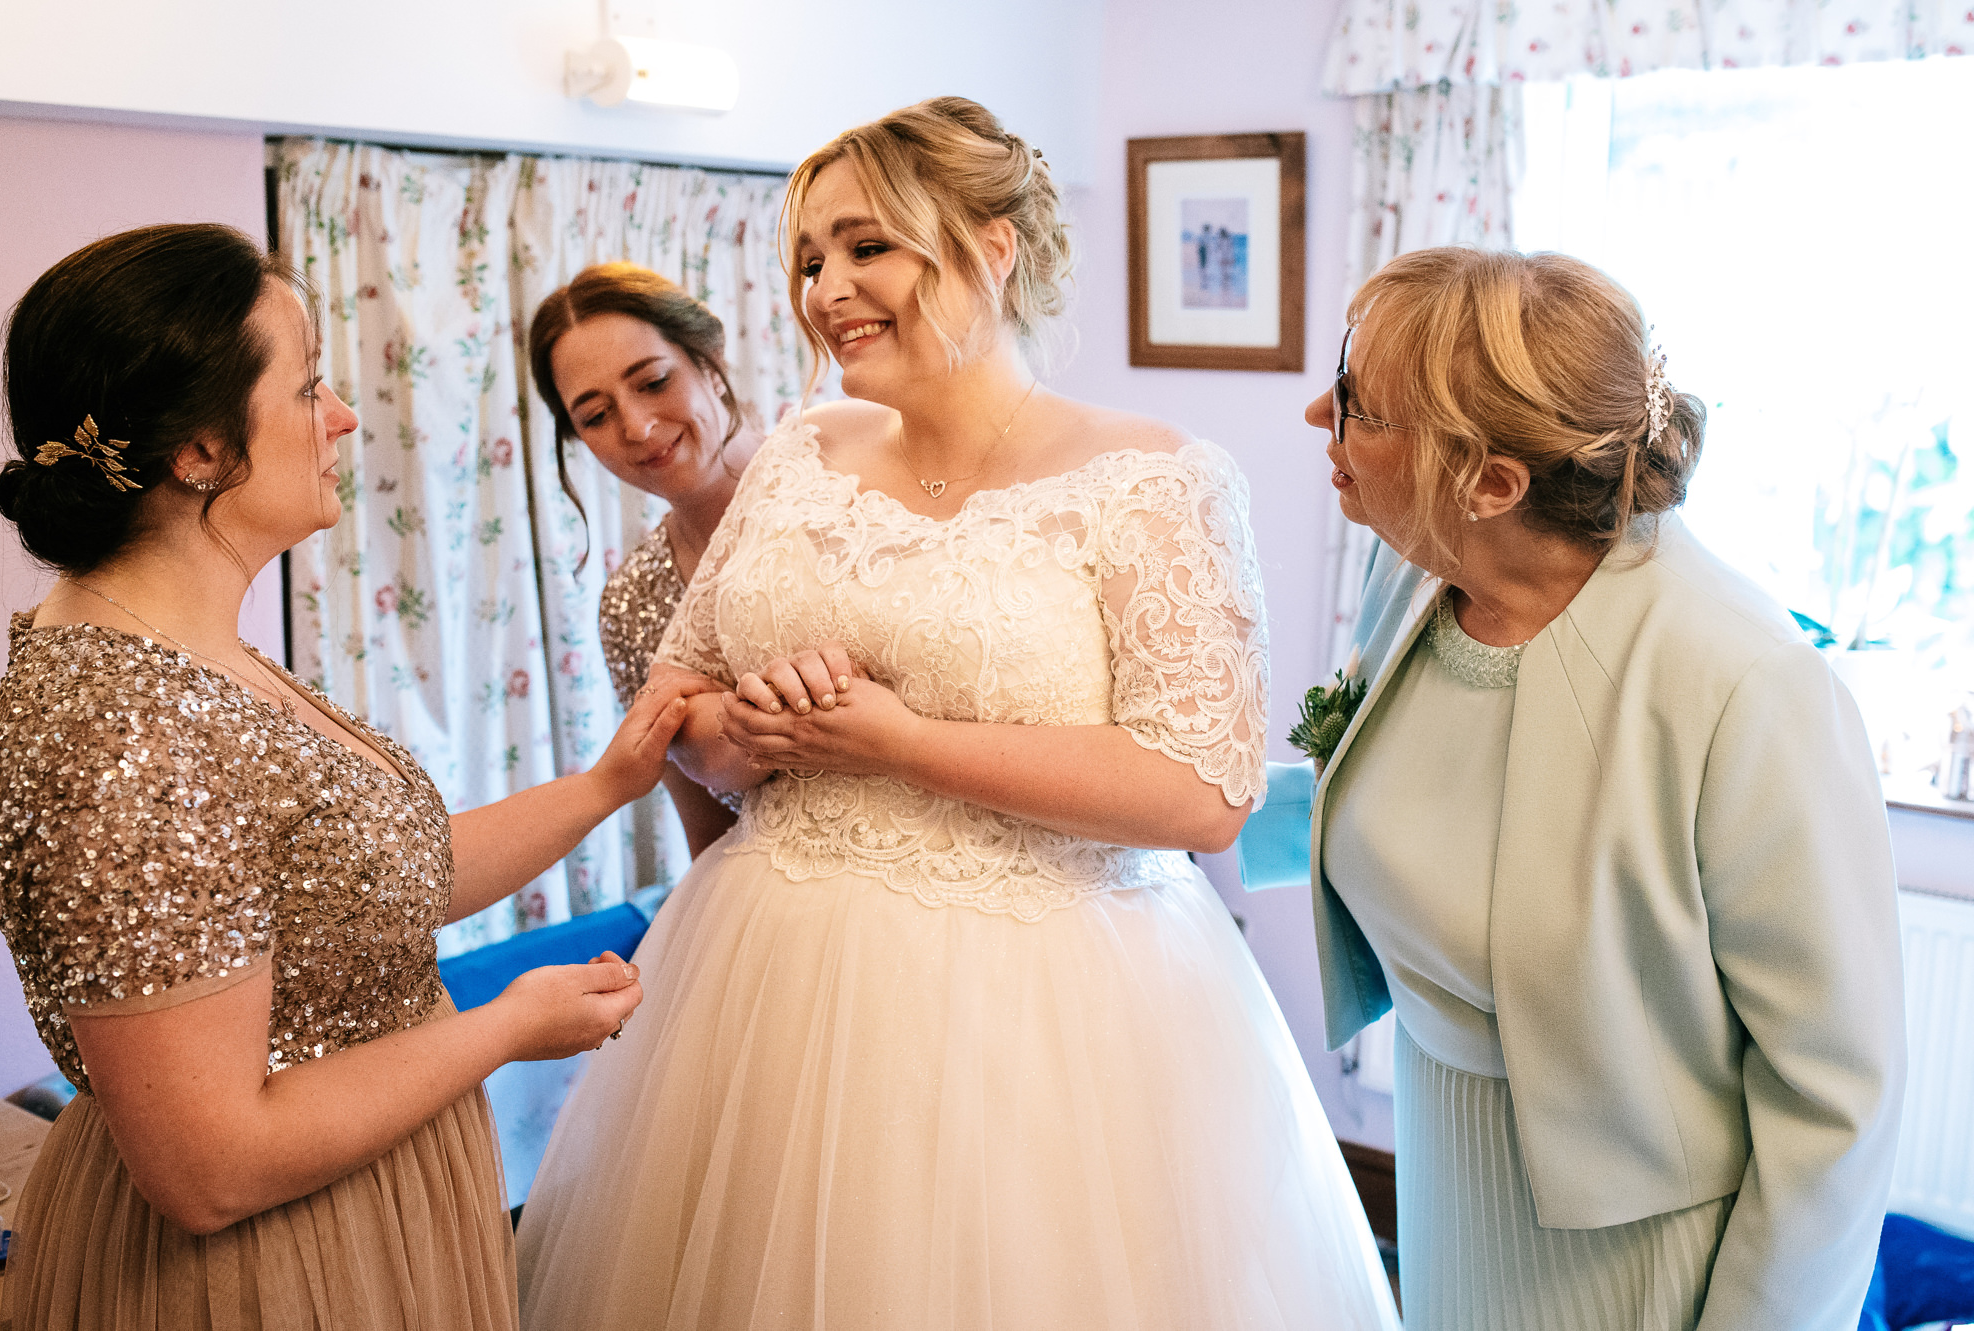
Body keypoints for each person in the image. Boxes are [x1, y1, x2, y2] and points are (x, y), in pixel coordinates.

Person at [516, 98, 1400, 1330]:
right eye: (810, 259)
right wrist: (755, 726)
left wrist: (901, 742)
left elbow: (1202, 792)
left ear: (993, 246)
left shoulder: (1153, 478)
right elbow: (689, 710)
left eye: (866, 246)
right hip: (770, 975)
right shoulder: (795, 453)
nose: (827, 289)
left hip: (1050, 989)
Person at [0, 223, 712, 1330]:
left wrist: (611, 779)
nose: (342, 418)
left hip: (367, 1197)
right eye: (308, 386)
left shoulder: (184, 651)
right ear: (200, 451)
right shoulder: (123, 728)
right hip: (268, 1262)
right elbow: (210, 1163)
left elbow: (359, 889)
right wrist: (505, 1022)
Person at [1266, 245, 1903, 1329]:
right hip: (1445, 1184)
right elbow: (1419, 815)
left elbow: (1835, 1098)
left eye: (1359, 405)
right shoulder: (1416, 570)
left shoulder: (1743, 684)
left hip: (1641, 1263)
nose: (1315, 411)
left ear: (1490, 480)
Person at [528, 263, 762, 859]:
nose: (637, 427)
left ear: (708, 362)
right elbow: (710, 838)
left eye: (654, 381)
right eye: (596, 416)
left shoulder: (852, 482)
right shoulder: (631, 604)